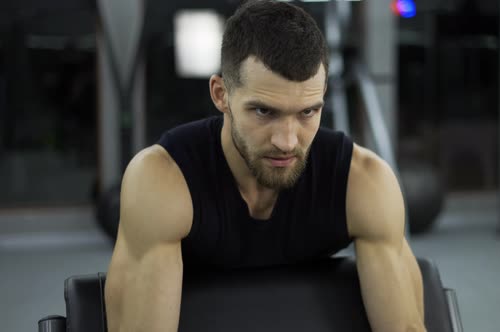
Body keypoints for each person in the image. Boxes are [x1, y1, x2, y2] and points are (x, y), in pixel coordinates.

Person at [104, 0, 425, 331]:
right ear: (221, 94)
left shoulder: (362, 182)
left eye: (307, 112)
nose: (287, 141)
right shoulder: (163, 180)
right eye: (264, 112)